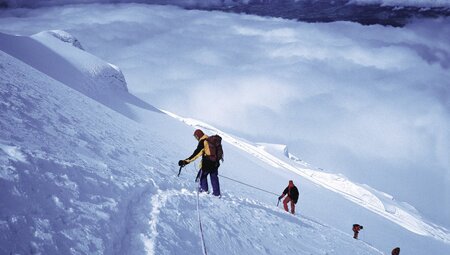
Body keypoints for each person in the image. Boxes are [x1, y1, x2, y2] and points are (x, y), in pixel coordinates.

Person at [178, 129, 221, 196]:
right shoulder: (210, 140)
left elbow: (196, 154)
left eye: (196, 137)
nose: (196, 139)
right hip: (215, 163)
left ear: (198, 136)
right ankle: (217, 194)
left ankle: (204, 192)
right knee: (214, 177)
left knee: (201, 177)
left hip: (207, 163)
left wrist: (185, 161)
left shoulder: (203, 142)